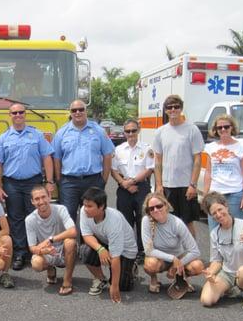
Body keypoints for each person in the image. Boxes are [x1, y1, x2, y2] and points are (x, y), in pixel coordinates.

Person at [0, 103, 55, 270]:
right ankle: (20, 252)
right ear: (10, 115)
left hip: (33, 181)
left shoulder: (36, 135)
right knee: (15, 217)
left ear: (25, 114)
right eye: (14, 113)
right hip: (11, 183)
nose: (18, 115)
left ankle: (37, 250)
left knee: (36, 216)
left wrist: (49, 182)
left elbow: (47, 158)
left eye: (21, 112)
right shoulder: (3, 138)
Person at [200, 192, 243, 311]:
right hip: (228, 273)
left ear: (226, 206)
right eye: (214, 213)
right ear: (211, 216)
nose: (218, 214)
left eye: (220, 209)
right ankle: (235, 289)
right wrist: (211, 273)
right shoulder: (215, 234)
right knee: (206, 300)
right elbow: (217, 261)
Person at [52, 100, 113, 222]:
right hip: (69, 183)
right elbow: (57, 158)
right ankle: (72, 242)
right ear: (70, 113)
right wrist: (59, 179)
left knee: (94, 218)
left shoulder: (99, 131)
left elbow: (107, 155)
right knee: (68, 219)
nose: (77, 112)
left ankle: (93, 241)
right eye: (74, 110)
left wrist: (103, 180)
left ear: (86, 111)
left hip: (93, 181)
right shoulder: (61, 133)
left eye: (81, 109)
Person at [153, 95, 204, 237]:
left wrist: (193, 185)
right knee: (168, 221)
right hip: (168, 186)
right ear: (166, 110)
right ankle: (173, 254)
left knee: (187, 223)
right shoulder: (160, 132)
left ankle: (192, 254)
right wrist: (159, 185)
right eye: (169, 107)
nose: (173, 109)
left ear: (181, 108)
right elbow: (157, 160)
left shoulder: (192, 129)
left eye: (176, 106)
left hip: (186, 185)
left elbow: (197, 160)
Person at [80, 187, 138, 303]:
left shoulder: (113, 221)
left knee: (123, 286)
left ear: (101, 207)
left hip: (125, 250)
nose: (85, 209)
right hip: (105, 243)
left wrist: (114, 286)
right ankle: (100, 278)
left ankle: (132, 267)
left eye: (90, 206)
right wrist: (100, 249)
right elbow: (86, 236)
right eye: (85, 205)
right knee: (84, 251)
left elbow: (115, 257)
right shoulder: (84, 211)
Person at [141, 192, 204, 295]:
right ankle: (154, 278)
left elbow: (195, 251)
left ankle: (182, 278)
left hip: (178, 257)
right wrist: (172, 259)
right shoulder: (146, 221)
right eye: (151, 209)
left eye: (159, 206)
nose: (155, 210)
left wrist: (177, 264)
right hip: (160, 259)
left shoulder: (177, 223)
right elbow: (148, 250)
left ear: (166, 205)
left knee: (197, 266)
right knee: (150, 264)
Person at [111, 119, 154, 260]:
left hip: (141, 187)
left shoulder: (147, 148)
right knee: (125, 220)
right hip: (124, 188)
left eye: (133, 130)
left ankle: (143, 250)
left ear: (138, 130)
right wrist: (123, 183)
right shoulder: (118, 150)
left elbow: (149, 169)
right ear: (124, 132)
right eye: (127, 131)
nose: (130, 134)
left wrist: (133, 181)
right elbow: (113, 170)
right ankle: (129, 249)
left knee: (143, 219)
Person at [25, 185, 77, 295]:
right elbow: (32, 247)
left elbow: (73, 231)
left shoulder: (60, 209)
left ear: (49, 197)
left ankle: (67, 280)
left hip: (63, 249)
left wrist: (51, 239)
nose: (41, 201)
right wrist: (45, 251)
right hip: (47, 251)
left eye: (43, 197)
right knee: (36, 263)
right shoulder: (30, 219)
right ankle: (50, 268)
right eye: (37, 199)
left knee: (70, 242)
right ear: (32, 202)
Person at [203, 114, 243, 231]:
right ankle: (215, 250)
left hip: (234, 194)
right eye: (220, 128)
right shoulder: (210, 147)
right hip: (215, 194)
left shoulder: (241, 147)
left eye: (226, 127)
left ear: (232, 128)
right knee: (214, 230)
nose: (223, 129)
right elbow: (208, 172)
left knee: (234, 229)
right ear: (216, 130)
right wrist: (205, 195)